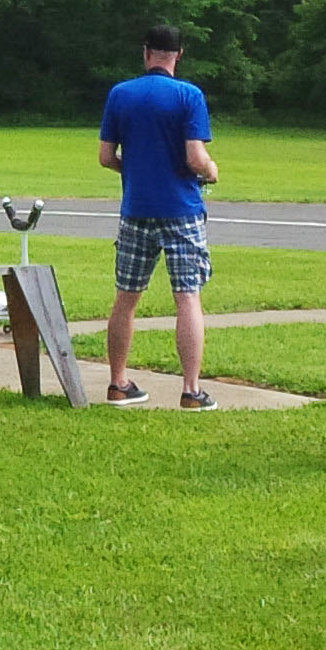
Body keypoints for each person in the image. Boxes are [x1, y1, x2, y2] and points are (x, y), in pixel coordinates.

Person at [95, 24, 223, 409]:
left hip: (136, 209)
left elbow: (105, 157)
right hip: (181, 210)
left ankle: (118, 382)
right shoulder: (188, 95)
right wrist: (211, 170)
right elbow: (195, 157)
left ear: (146, 52)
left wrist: (135, 168)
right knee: (187, 297)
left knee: (126, 297)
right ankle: (191, 390)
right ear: (179, 55)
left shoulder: (120, 94)